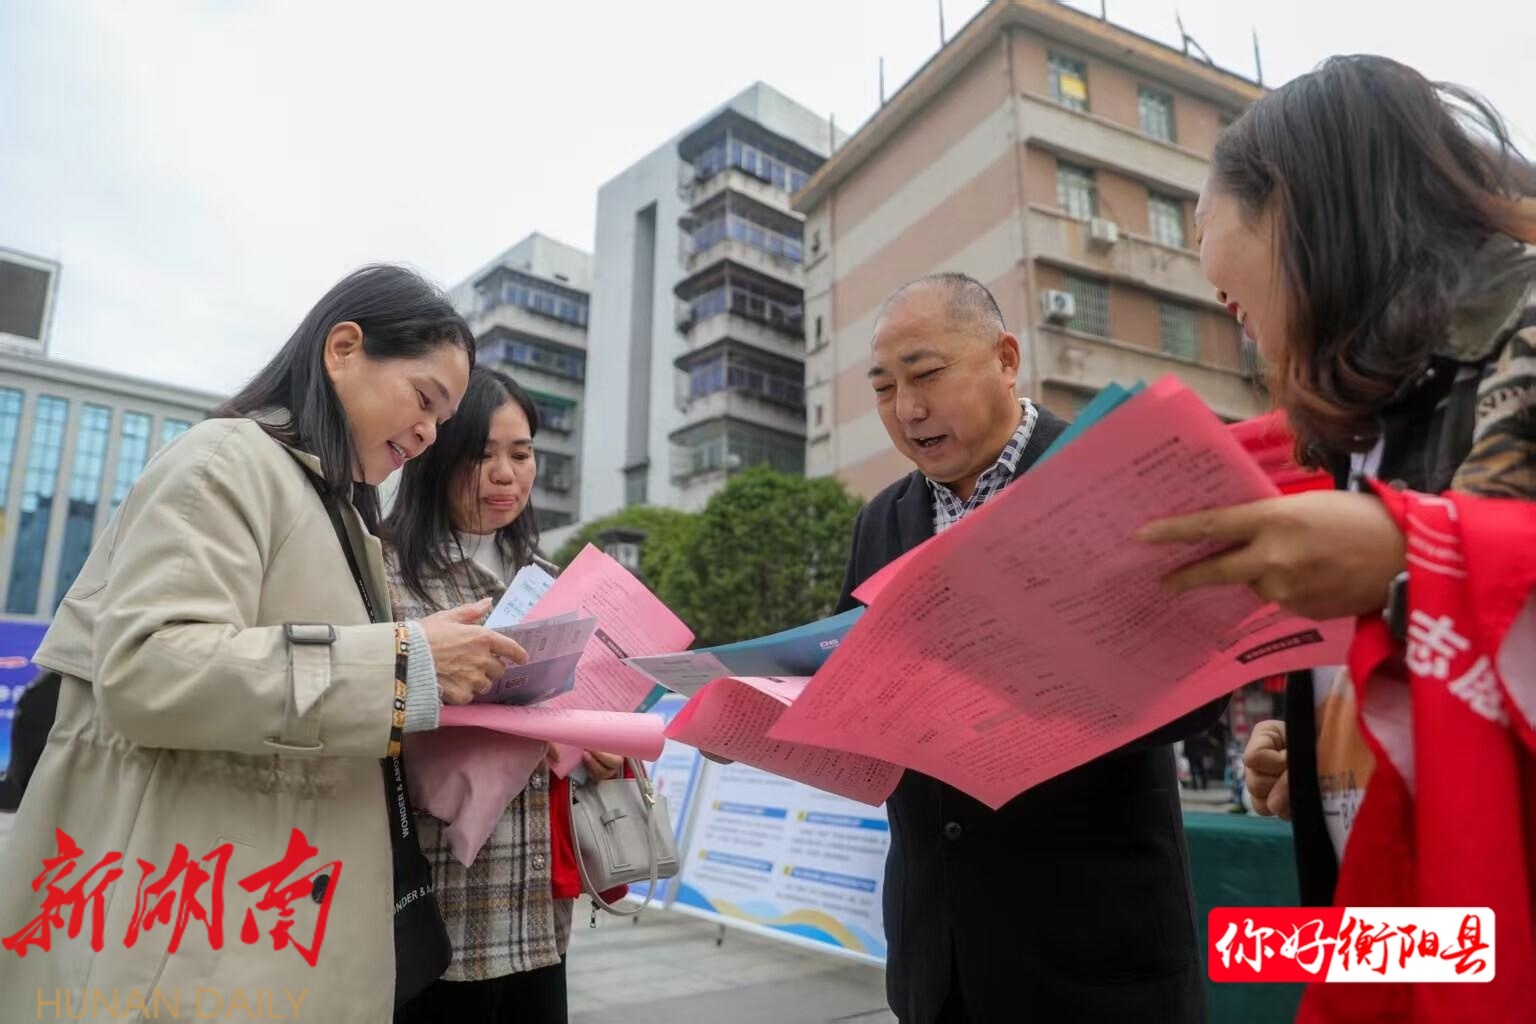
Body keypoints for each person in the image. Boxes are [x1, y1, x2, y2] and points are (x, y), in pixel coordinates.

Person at [0, 265, 529, 1020]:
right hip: (201, 929)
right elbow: (150, 667)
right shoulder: (227, 460)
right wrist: (404, 662)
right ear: (343, 350)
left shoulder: (336, 509)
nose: (427, 433)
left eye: (442, 420)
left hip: (270, 916)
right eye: (424, 399)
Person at [1136, 55, 1535, 1018]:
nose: (1213, 287)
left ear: (1295, 203)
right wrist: (1324, 764)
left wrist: (1405, 557)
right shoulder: (1364, 426)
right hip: (1435, 950)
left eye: (1203, 220)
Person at [837, 272, 1224, 1023]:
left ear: (1006, 359)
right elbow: (847, 678)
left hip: (1094, 954)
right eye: (884, 389)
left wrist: (1038, 674)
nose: (907, 409)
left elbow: (1200, 695)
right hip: (938, 959)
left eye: (926, 374)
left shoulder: (1110, 473)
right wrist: (767, 716)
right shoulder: (881, 520)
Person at [385, 366, 623, 1023]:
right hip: (434, 905)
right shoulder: (385, 571)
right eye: (480, 455)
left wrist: (596, 754)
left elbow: (580, 710)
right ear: (433, 457)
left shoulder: (552, 581)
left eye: (521, 455)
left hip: (537, 907)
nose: (504, 475)